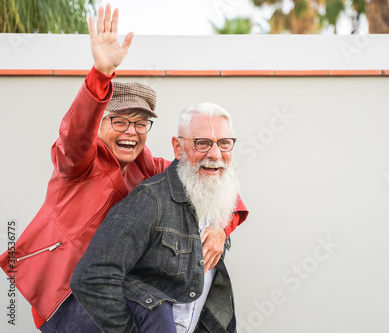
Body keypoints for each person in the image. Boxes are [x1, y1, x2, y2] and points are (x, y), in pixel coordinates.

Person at [0, 5, 247, 332]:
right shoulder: (76, 164)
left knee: (160, 306)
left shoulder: (154, 169)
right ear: (100, 125)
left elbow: (212, 176)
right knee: (153, 308)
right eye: (119, 121)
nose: (131, 131)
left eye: (141, 123)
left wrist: (219, 228)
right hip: (66, 296)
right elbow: (74, 134)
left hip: (117, 290)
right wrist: (100, 74)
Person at [71, 101, 244, 333]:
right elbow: (92, 278)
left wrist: (222, 229)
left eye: (224, 144)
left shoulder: (219, 199)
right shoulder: (150, 199)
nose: (215, 154)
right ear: (178, 147)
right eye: (202, 143)